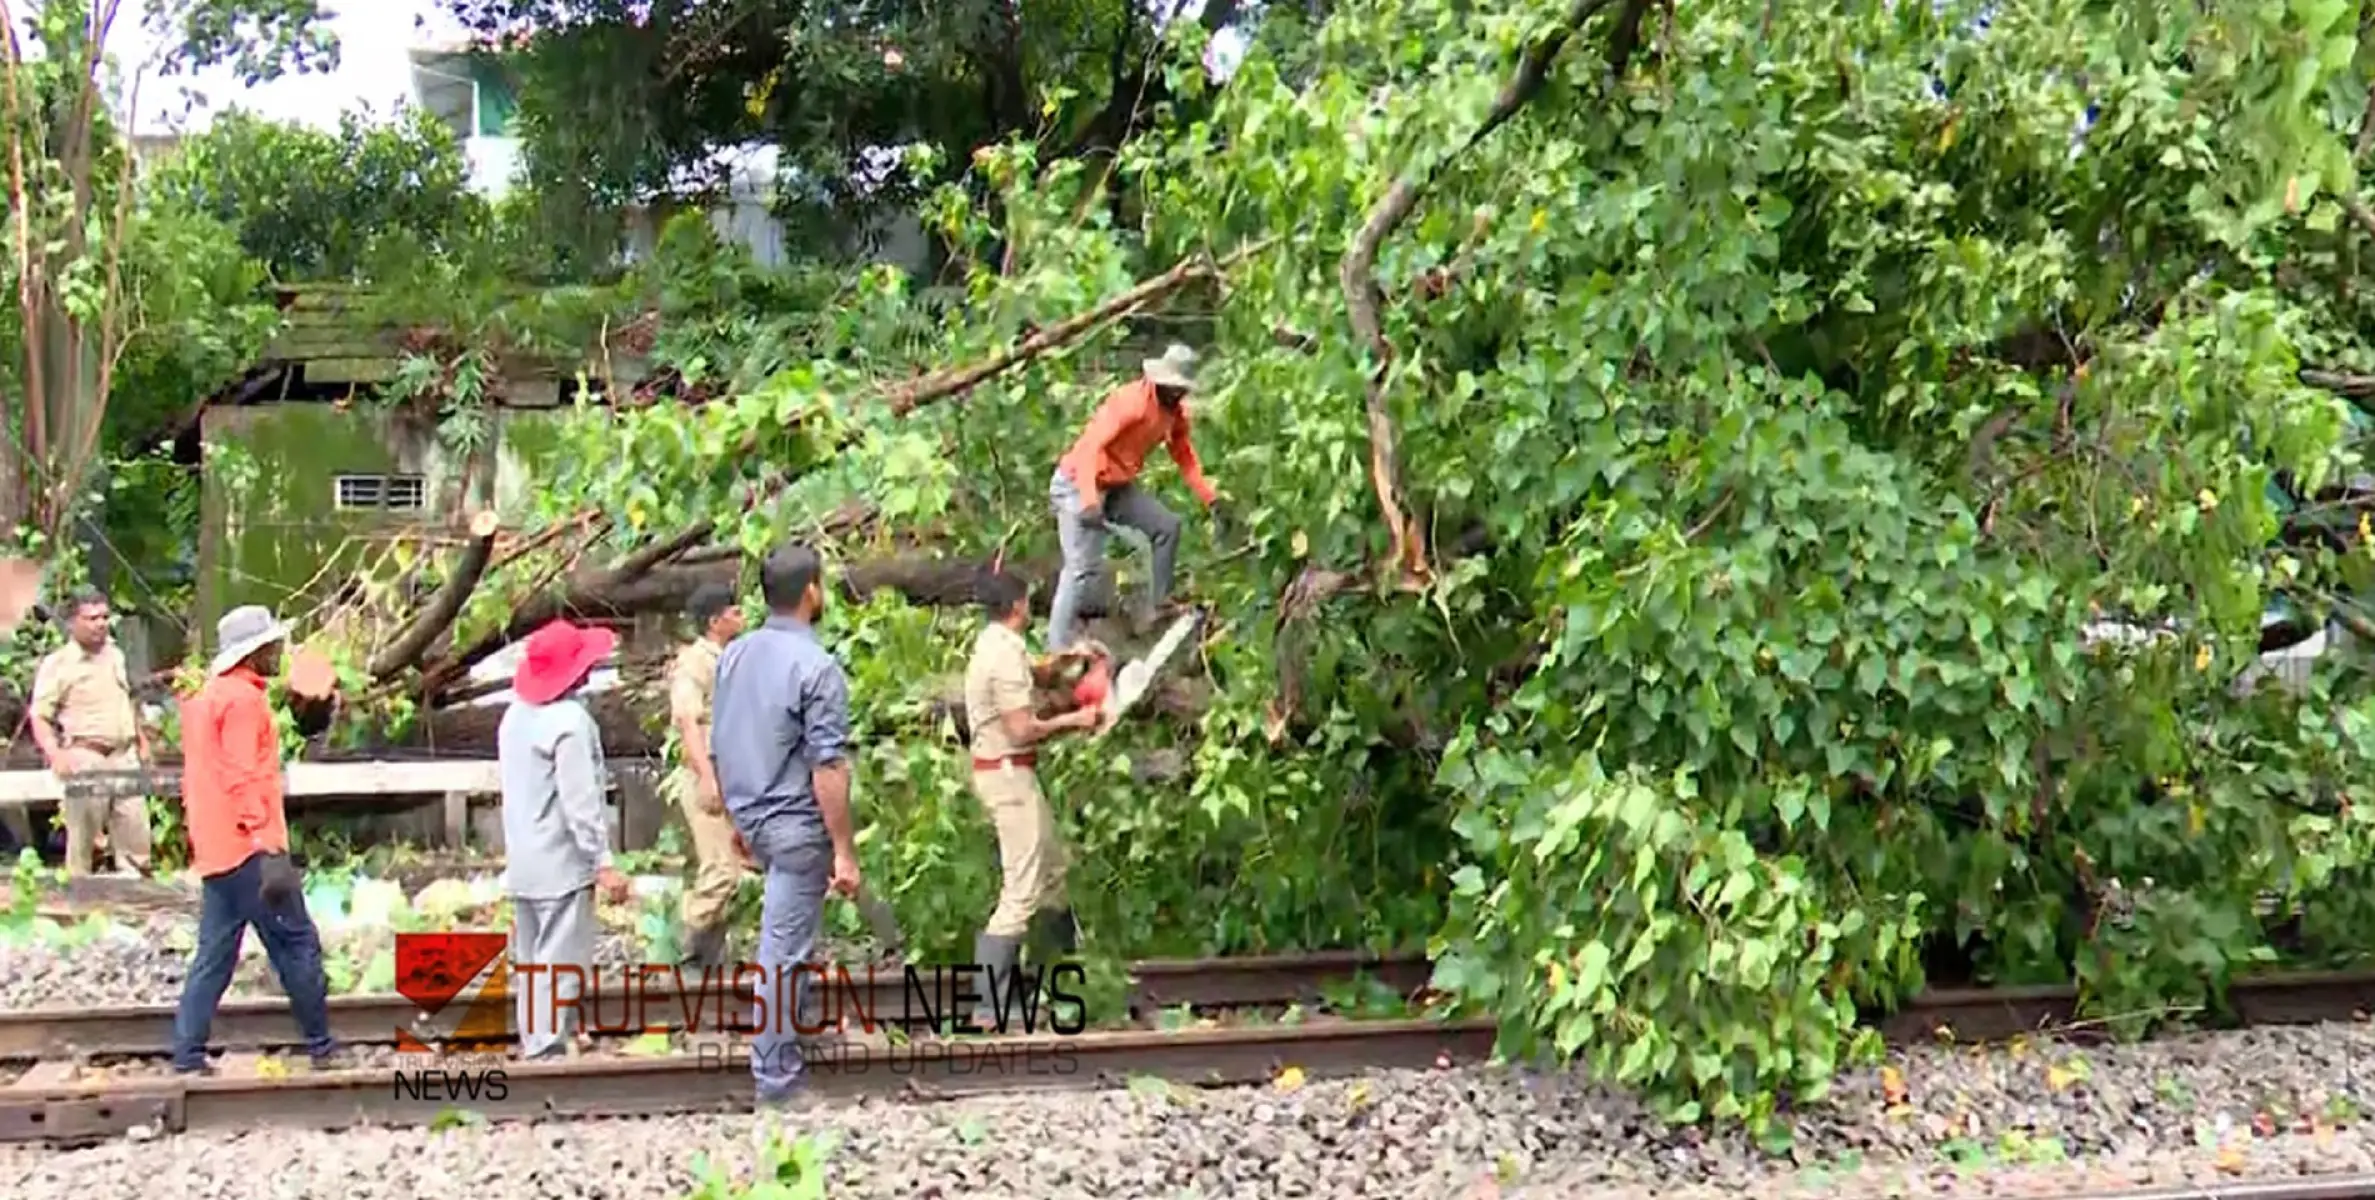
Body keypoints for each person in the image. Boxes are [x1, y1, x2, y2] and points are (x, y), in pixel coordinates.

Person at [711, 543, 861, 1110]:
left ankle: (788, 1039)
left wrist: (735, 816)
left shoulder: (734, 654)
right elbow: (828, 766)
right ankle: (776, 1080)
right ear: (812, 593)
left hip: (752, 811)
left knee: (788, 940)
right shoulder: (817, 666)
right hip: (795, 823)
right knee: (783, 950)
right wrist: (844, 850)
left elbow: (720, 739)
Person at [170, 605, 344, 1075]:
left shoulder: (206, 699)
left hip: (216, 848)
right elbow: (243, 777)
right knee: (296, 942)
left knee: (215, 954)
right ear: (256, 651)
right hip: (250, 847)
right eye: (273, 645)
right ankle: (322, 1046)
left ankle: (186, 1053)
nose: (279, 652)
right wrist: (268, 844)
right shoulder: (245, 702)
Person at [964, 571, 1102, 1028]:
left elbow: (1037, 671)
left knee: (1054, 871)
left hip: (1014, 775)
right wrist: (1078, 719)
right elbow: (1022, 729)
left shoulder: (1000, 643)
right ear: (1020, 606)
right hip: (1007, 776)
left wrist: (1070, 659)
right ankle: (990, 1005)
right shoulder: (1002, 655)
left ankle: (1060, 976)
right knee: (1021, 888)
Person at [498, 619, 633, 1061]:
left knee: (533, 958)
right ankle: (546, 1048)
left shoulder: (514, 715)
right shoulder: (571, 723)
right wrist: (603, 862)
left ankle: (534, 1038)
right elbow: (581, 804)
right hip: (560, 860)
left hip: (522, 857)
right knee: (560, 960)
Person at [1047, 343, 1229, 649]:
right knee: (1081, 569)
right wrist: (1090, 500)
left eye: (1181, 390)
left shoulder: (1175, 414)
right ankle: (1056, 648)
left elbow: (1184, 456)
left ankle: (1158, 607)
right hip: (1079, 482)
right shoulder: (1130, 402)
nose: (1177, 394)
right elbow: (1091, 446)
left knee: (1167, 527)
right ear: (1160, 382)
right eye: (1172, 388)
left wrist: (1211, 497)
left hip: (1116, 486)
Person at [29, 592, 153, 876]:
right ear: (73, 622)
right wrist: (56, 754)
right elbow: (40, 716)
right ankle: (79, 907)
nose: (101, 624)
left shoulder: (116, 655)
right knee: (83, 846)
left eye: (105, 617)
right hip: (86, 757)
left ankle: (135, 906)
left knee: (136, 837)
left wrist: (142, 740)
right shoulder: (58, 664)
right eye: (92, 618)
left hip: (125, 756)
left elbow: (128, 700)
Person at [669, 583, 747, 968]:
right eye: (734, 611)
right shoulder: (695, 663)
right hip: (708, 774)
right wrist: (707, 777)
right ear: (716, 621)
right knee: (721, 871)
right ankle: (679, 947)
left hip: (732, 775)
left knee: (734, 867)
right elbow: (689, 721)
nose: (742, 616)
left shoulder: (730, 657)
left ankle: (709, 961)